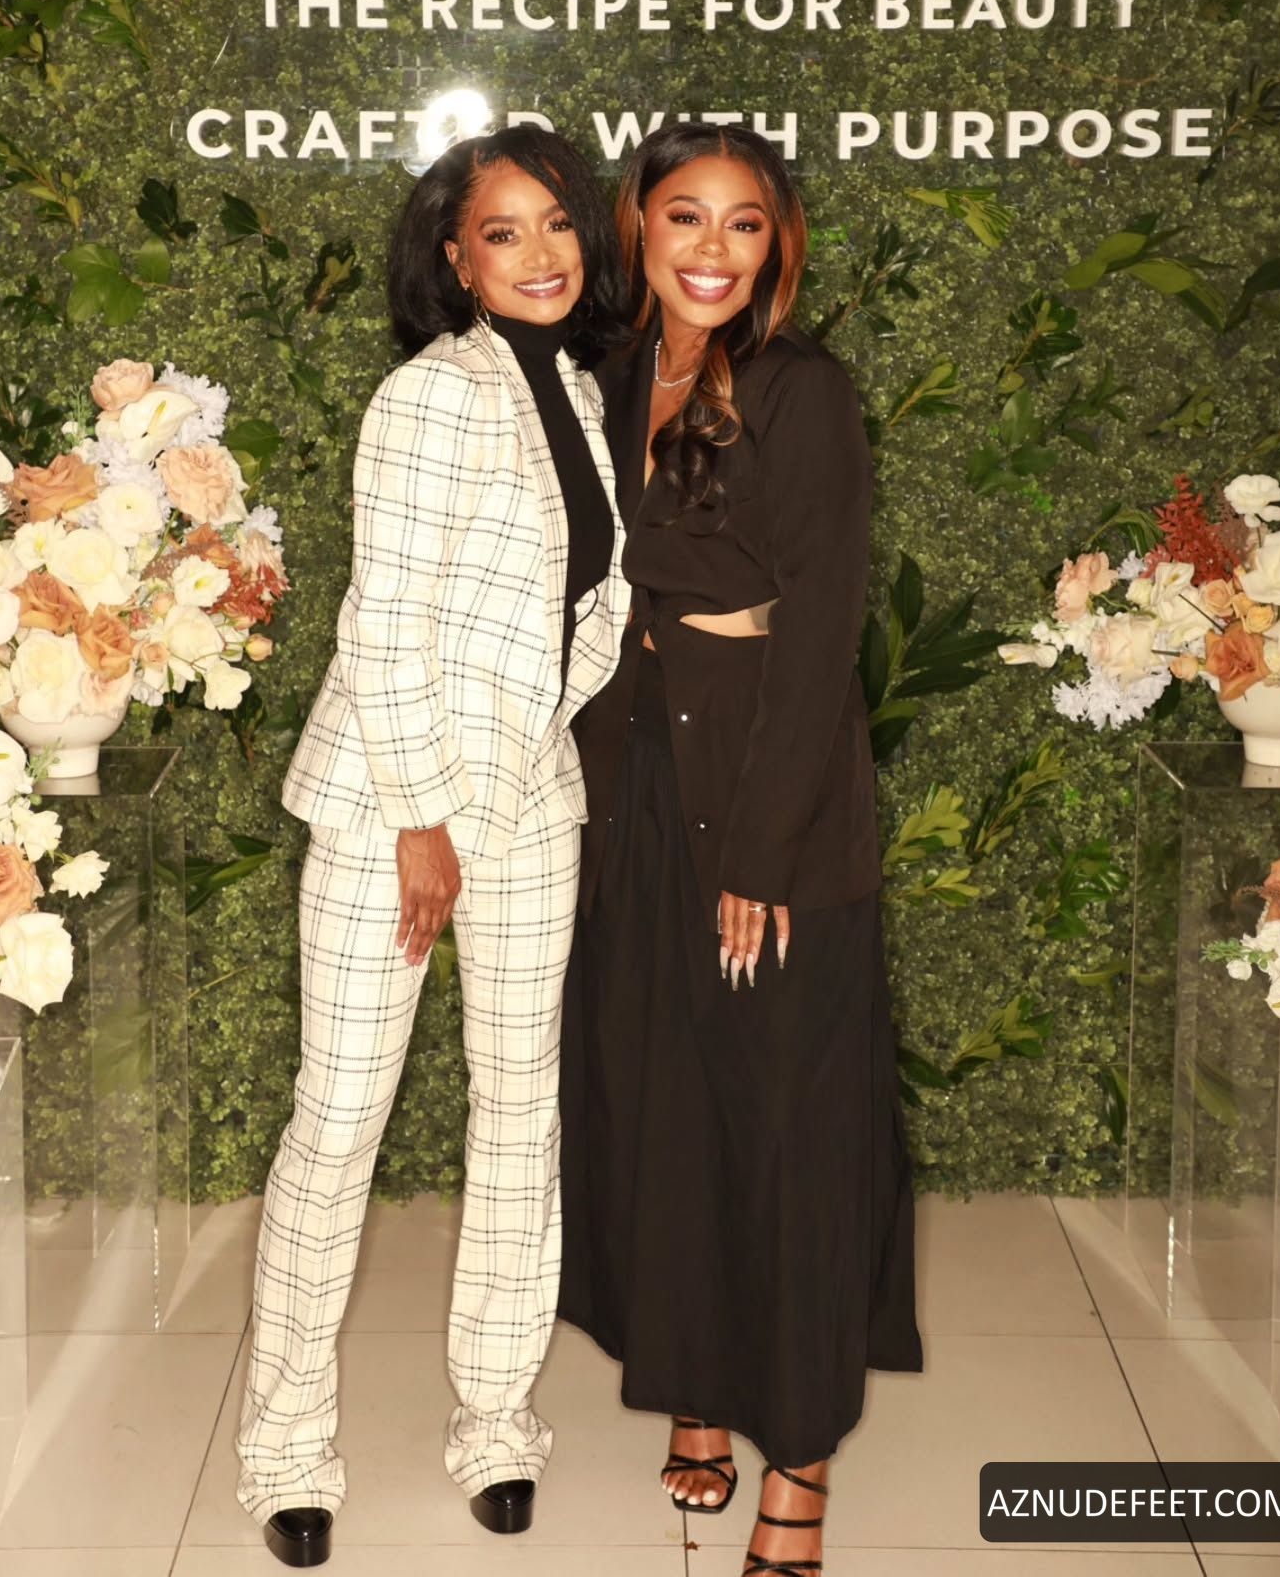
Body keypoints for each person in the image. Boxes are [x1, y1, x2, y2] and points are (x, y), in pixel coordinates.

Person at [237, 126, 630, 1568]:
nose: (539, 254)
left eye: (557, 225)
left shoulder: (576, 389)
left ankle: (497, 1423)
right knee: (339, 1121)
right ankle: (285, 1447)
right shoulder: (427, 396)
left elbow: (585, 600)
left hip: (531, 799)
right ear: (456, 261)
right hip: (388, 809)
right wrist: (421, 816)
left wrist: (543, 730)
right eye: (502, 233)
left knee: (519, 1115)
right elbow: (384, 620)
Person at [559, 123, 923, 1577]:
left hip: (768, 795)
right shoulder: (597, 377)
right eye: (685, 217)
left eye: (746, 224)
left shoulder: (800, 389)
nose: (713, 250)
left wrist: (761, 855)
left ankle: (803, 1468)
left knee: (788, 1127)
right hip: (633, 791)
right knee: (666, 1109)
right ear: (636, 227)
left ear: (779, 244)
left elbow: (821, 628)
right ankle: (698, 1388)